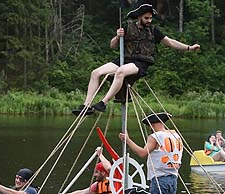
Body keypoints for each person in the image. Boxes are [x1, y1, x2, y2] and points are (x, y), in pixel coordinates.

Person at [72, 0, 200, 116]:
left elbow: (171, 42)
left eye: (150, 18)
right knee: (95, 73)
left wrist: (189, 48)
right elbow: (112, 46)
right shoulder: (128, 27)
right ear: (139, 17)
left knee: (120, 72)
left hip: (140, 63)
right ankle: (86, 106)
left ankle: (103, 103)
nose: (149, 20)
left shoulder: (154, 31)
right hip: (124, 59)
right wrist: (117, 37)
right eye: (146, 18)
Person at [119, 112, 182, 194]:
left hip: (160, 179)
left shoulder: (155, 136)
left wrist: (127, 140)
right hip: (173, 178)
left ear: (153, 124)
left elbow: (142, 153)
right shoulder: (175, 135)